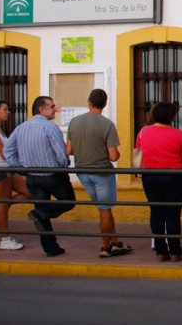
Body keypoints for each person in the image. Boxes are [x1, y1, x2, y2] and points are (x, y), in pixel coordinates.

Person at [66, 89, 133, 258]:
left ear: (89, 102)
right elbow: (113, 156)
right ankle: (105, 247)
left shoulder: (74, 122)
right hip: (102, 171)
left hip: (82, 171)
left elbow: (69, 150)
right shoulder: (107, 124)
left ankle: (115, 240)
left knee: (104, 209)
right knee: (105, 209)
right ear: (105, 104)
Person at [4, 96, 74, 257]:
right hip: (53, 175)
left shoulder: (21, 127)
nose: (55, 109)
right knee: (69, 201)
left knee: (41, 208)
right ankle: (42, 216)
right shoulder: (50, 127)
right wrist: (63, 166)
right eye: (52, 106)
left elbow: (8, 149)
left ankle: (51, 248)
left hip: (32, 176)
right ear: (41, 109)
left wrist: (18, 167)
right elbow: (60, 152)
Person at [136, 102, 182, 263]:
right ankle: (175, 251)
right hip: (173, 177)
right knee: (172, 214)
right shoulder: (178, 134)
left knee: (156, 213)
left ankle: (160, 251)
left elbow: (139, 152)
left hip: (150, 176)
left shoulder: (143, 132)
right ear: (171, 117)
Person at [0, 99, 31, 250]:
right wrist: (19, 163)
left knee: (29, 192)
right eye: (5, 109)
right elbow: (3, 153)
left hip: (7, 168)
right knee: (4, 204)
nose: (8, 112)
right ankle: (5, 239)